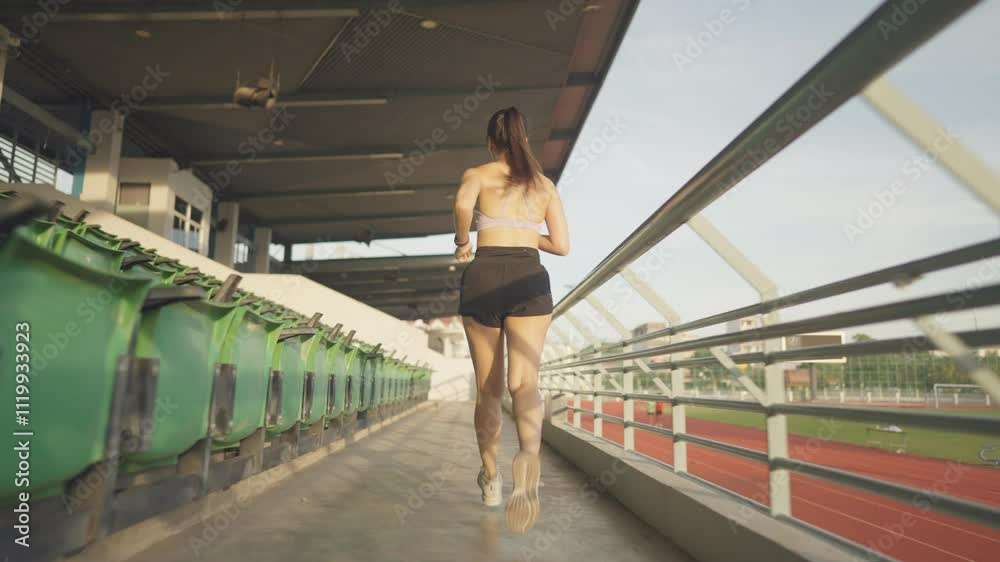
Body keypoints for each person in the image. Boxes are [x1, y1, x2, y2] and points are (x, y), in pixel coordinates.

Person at [453, 106, 569, 534]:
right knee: (525, 383)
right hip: (529, 275)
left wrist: (465, 240)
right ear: (524, 140)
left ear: (491, 142)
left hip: (484, 272)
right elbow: (562, 245)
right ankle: (530, 456)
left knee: (489, 388)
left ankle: (492, 480)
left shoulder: (478, 175)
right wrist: (523, 231)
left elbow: (463, 205)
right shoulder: (543, 185)